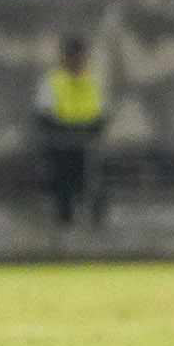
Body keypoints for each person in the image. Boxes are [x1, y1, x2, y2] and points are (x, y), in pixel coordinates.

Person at [38, 36, 108, 224]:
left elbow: (100, 113)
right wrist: (65, 127)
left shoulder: (92, 81)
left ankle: (94, 223)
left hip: (85, 144)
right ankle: (65, 221)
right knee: (64, 185)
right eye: (73, 56)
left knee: (93, 183)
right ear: (65, 58)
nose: (77, 60)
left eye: (80, 56)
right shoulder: (53, 81)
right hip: (61, 143)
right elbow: (44, 114)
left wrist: (90, 128)